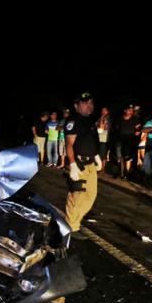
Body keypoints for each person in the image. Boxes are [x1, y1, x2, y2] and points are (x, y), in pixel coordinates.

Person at [65, 92, 101, 240]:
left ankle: (76, 221)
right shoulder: (73, 121)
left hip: (90, 163)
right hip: (79, 164)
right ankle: (71, 227)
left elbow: (91, 141)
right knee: (77, 196)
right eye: (85, 103)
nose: (89, 106)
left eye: (91, 103)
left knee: (91, 195)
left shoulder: (90, 121)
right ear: (76, 105)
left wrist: (96, 155)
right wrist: (72, 164)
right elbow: (69, 145)